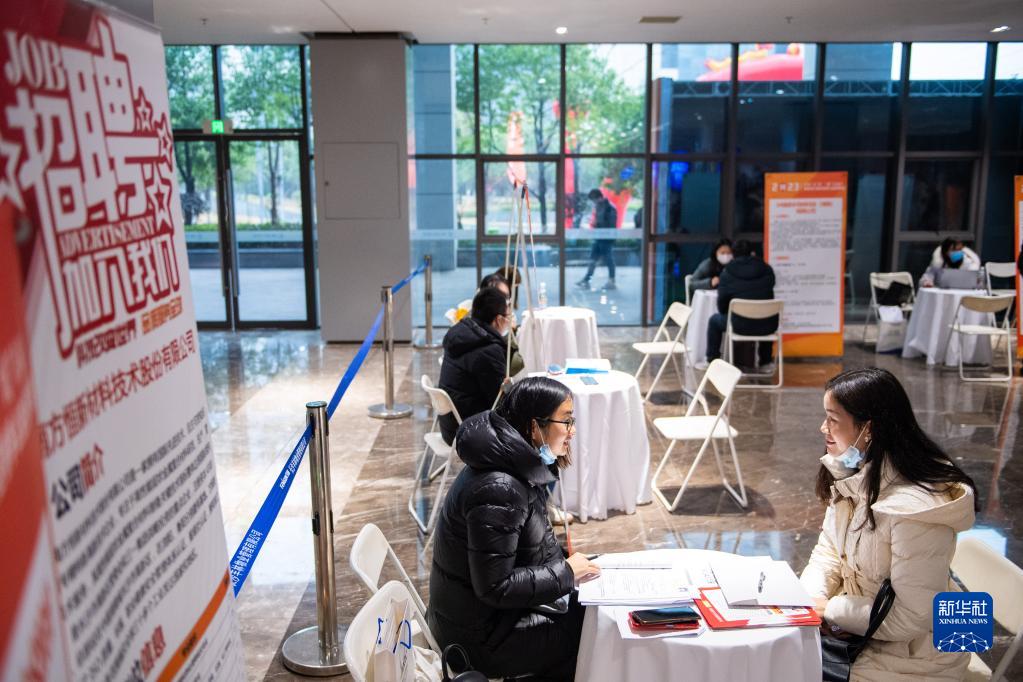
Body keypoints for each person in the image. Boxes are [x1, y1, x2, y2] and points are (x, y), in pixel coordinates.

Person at [801, 367, 976, 682]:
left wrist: (831, 609)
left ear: (868, 429)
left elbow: (910, 618)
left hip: (919, 654)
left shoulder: (914, 509)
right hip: (866, 627)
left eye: (833, 419)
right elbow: (829, 551)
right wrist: (808, 603)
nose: (822, 427)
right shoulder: (853, 472)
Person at [427, 378, 601, 681]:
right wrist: (566, 573)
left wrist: (568, 565)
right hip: (480, 640)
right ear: (535, 427)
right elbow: (495, 586)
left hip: (486, 621)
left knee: (591, 610)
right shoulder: (500, 487)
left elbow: (523, 546)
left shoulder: (513, 466)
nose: (572, 431)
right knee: (592, 631)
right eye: (567, 421)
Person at [438, 288, 514, 445]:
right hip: (470, 433)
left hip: (449, 426)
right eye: (508, 316)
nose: (509, 321)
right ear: (498, 319)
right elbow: (500, 403)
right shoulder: (489, 350)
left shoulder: (459, 333)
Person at [706, 240, 777, 368]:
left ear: (733, 254)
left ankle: (713, 360)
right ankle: (765, 361)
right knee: (765, 317)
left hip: (739, 325)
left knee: (714, 320)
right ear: (752, 253)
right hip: (767, 326)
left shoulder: (727, 272)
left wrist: (726, 312)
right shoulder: (766, 269)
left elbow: (722, 304)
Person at [576, 189, 619, 291]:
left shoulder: (609, 207)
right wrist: (595, 225)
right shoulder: (599, 206)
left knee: (608, 259)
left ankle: (611, 281)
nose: (593, 202)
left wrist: (598, 225)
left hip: (606, 238)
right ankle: (587, 279)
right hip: (599, 237)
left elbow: (611, 224)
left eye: (594, 200)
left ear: (598, 197)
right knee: (593, 258)